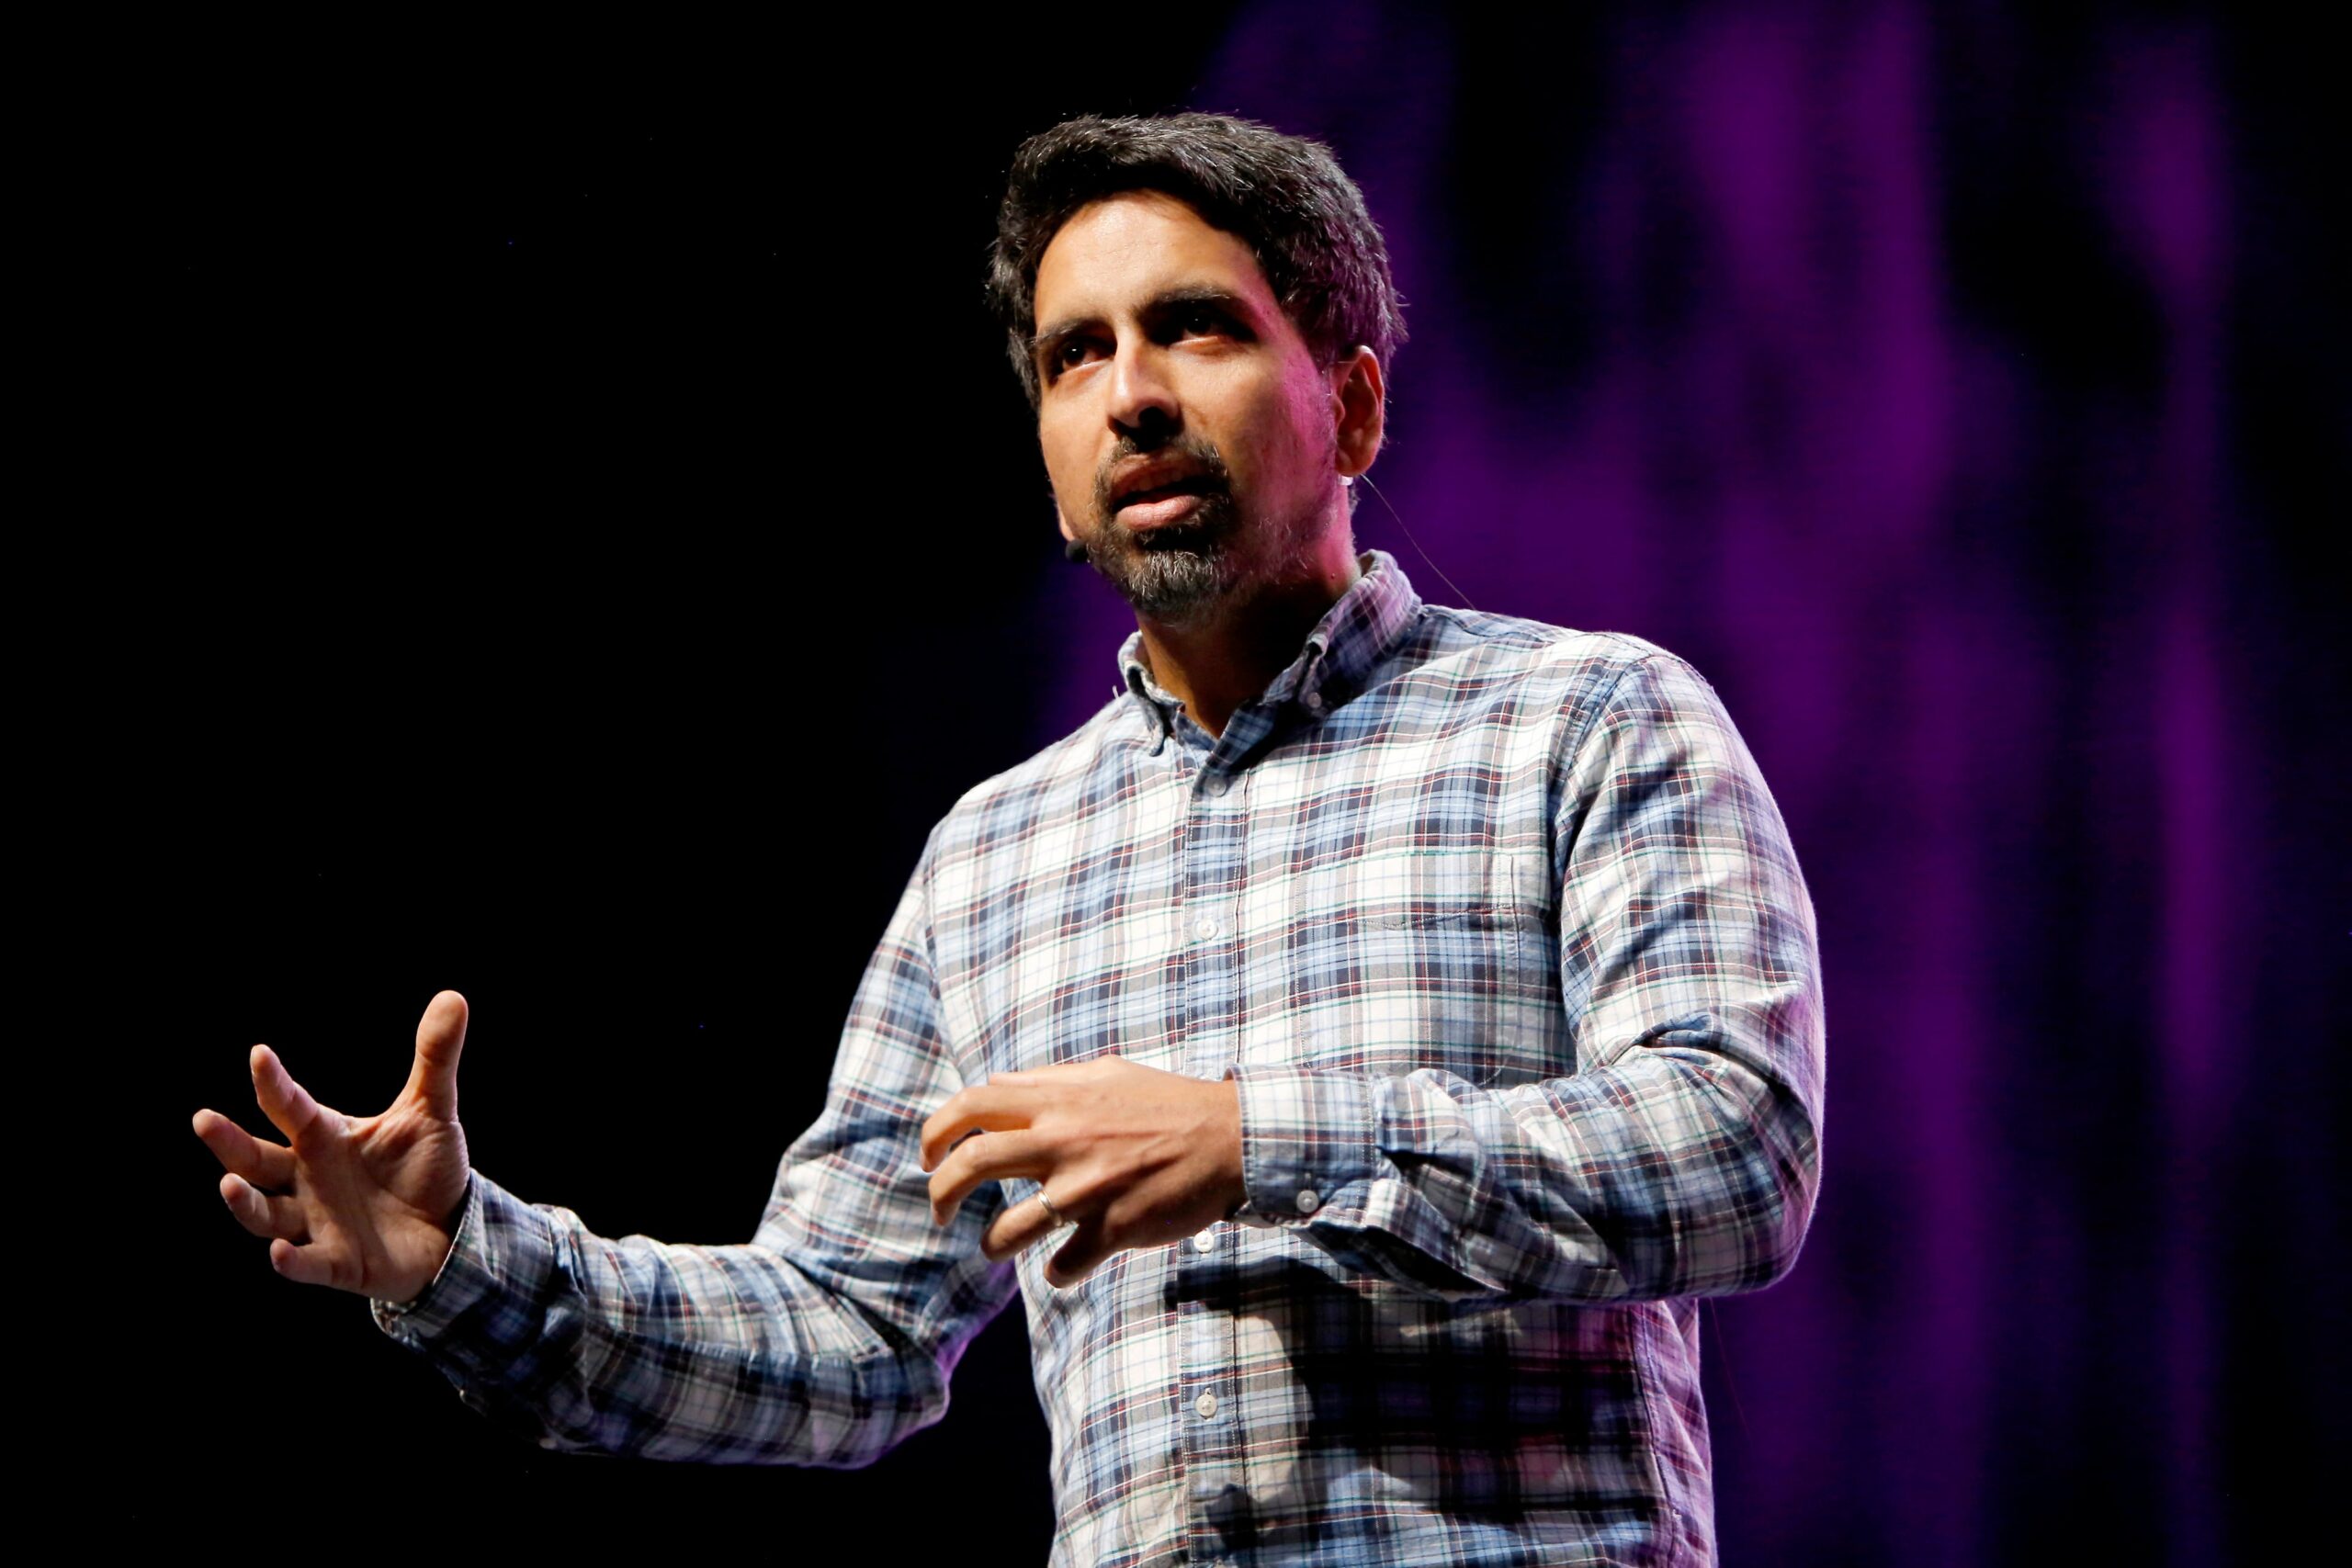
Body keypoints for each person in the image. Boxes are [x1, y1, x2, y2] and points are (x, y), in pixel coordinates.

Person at [193, 112, 1824, 1565]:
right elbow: (845, 1333)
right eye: (1073, 356)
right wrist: (463, 1264)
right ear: (1049, 466)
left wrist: (1259, 1142)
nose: (1133, 396)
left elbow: (1738, 1153)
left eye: (1195, 327)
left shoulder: (1587, 723)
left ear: (1353, 403)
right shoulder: (993, 859)